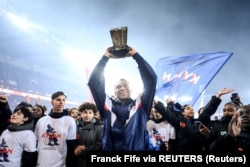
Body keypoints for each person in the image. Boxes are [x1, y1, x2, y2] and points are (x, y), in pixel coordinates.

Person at [88, 46, 157, 151]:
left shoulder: (142, 105)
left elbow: (151, 79)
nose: (122, 88)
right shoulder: (107, 104)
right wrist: (105, 58)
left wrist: (136, 56)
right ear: (114, 91)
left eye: (125, 85)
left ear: (131, 89)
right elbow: (94, 82)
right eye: (118, 87)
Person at [165, 88, 234, 152]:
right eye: (188, 108)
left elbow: (206, 113)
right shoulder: (179, 122)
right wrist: (170, 105)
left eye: (192, 109)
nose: (191, 110)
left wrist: (217, 96)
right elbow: (169, 115)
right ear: (183, 112)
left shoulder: (197, 122)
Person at [35, 91, 76, 167]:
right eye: (58, 100)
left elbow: (71, 147)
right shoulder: (41, 120)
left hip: (60, 163)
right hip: (40, 162)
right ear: (52, 102)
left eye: (63, 100)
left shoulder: (70, 121)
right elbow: (36, 142)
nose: (61, 102)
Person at [74, 102, 103, 167]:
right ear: (81, 113)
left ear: (93, 114)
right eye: (85, 112)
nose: (87, 115)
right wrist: (75, 149)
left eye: (90, 113)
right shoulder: (75, 126)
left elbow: (99, 145)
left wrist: (83, 150)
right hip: (75, 159)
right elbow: (70, 142)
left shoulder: (98, 128)